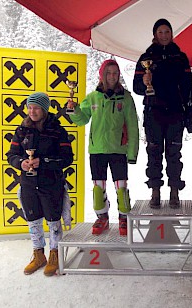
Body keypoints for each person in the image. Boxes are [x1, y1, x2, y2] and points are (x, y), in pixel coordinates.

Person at [68, 59, 139, 236]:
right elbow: (82, 119)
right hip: (97, 150)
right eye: (109, 73)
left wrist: (132, 152)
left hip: (118, 149)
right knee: (98, 189)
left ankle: (124, 218)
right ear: (102, 75)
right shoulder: (93, 97)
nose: (112, 76)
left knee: (121, 188)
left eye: (115, 73)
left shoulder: (126, 98)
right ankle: (102, 218)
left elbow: (132, 126)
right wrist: (74, 110)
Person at [6, 92, 74, 276]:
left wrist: (43, 162)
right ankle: (38, 254)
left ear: (44, 109)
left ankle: (54, 254)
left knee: (53, 221)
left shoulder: (58, 131)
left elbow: (67, 158)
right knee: (33, 221)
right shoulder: (21, 130)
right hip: (28, 184)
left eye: (36, 107)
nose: (32, 111)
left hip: (51, 184)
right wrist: (21, 163)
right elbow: (11, 155)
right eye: (29, 107)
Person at [133, 18, 192, 209]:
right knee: (154, 153)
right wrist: (144, 82)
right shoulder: (146, 57)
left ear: (172, 34)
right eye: (160, 32)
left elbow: (187, 88)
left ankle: (174, 191)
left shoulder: (180, 57)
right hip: (154, 113)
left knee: (174, 154)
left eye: (167, 32)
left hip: (176, 113)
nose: (164, 35)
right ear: (155, 35)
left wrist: (189, 113)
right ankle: (155, 191)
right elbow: (136, 87)